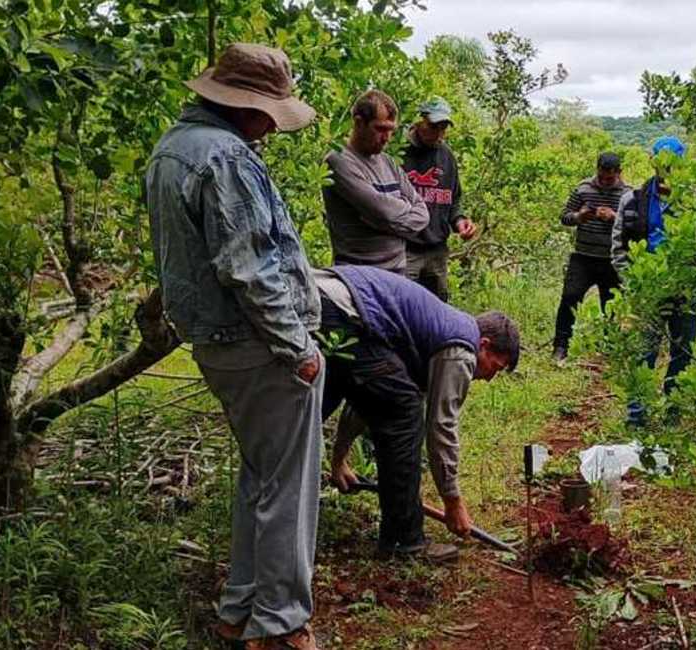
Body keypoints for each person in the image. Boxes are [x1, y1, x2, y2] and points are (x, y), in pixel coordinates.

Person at [145, 43, 323, 650]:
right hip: (259, 347)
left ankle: (240, 607)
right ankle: (279, 624)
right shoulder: (226, 158)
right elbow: (250, 270)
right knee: (288, 489)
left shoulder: (172, 149)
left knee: (262, 478)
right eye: (270, 114)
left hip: (216, 344)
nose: (273, 127)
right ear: (247, 109)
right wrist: (297, 345)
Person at [313, 265, 520, 563]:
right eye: (495, 367)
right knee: (405, 411)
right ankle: (403, 542)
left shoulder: (428, 337)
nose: (489, 378)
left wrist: (339, 460)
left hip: (320, 302)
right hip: (342, 312)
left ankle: (283, 507)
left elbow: (365, 397)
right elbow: (441, 428)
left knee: (315, 411)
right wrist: (453, 501)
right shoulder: (461, 349)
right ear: (483, 345)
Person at [610, 136, 696, 427]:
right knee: (643, 353)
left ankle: (674, 412)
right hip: (646, 291)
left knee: (682, 354)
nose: (667, 170)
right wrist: (633, 284)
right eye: (662, 163)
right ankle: (637, 416)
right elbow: (619, 246)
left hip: (684, 291)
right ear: (653, 162)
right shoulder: (633, 199)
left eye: (673, 164)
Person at [323, 89, 429, 272]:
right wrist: (401, 209)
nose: (386, 138)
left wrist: (385, 219)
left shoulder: (388, 162)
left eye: (391, 130)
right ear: (359, 123)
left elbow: (423, 213)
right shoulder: (339, 161)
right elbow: (381, 211)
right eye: (380, 129)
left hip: (398, 272)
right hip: (360, 274)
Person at [551, 152, 630, 361]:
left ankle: (609, 349)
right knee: (569, 298)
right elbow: (565, 217)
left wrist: (615, 218)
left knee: (611, 306)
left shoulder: (628, 194)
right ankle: (560, 347)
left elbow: (634, 226)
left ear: (619, 173)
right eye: (601, 177)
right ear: (597, 170)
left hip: (611, 260)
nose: (604, 182)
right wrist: (579, 216)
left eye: (609, 178)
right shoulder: (583, 188)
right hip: (583, 257)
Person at [402, 97, 477, 301]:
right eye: (434, 126)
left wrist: (461, 222)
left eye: (443, 128)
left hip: (437, 251)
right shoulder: (399, 153)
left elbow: (454, 200)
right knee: (405, 306)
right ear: (420, 121)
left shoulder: (446, 156)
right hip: (406, 250)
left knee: (437, 308)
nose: (439, 134)